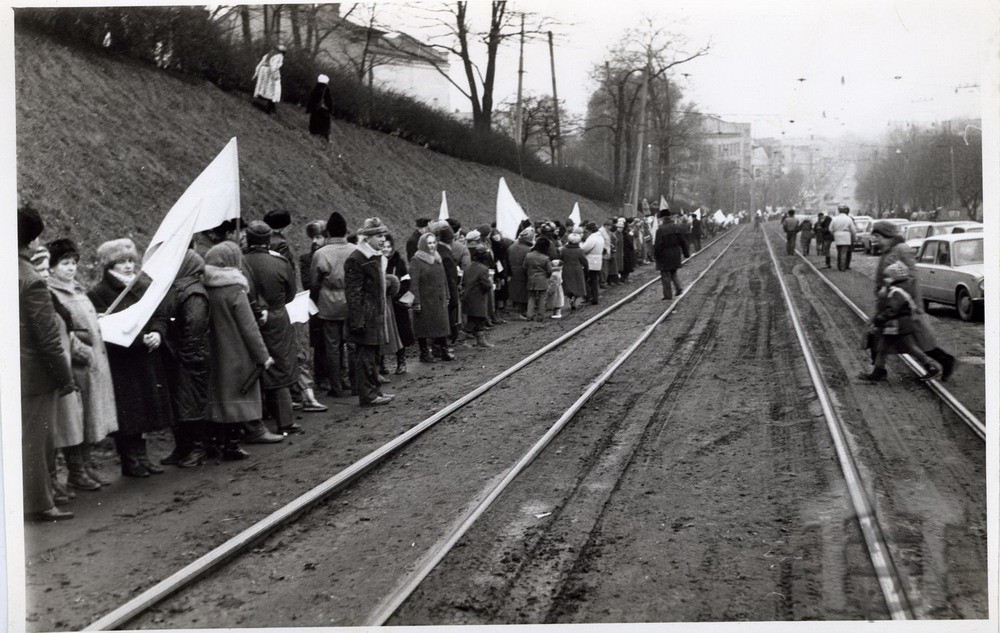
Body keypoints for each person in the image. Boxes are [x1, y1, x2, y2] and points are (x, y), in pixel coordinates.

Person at [88, 238, 174, 478]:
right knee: (128, 412)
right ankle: (129, 460)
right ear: (109, 266)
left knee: (145, 410)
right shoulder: (99, 293)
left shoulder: (142, 287)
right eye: (121, 262)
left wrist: (158, 332)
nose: (127, 266)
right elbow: (105, 327)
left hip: (145, 357)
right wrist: (138, 339)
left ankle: (143, 457)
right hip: (122, 361)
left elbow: (158, 313)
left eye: (129, 261)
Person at [19, 206, 76, 521]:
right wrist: (64, 377)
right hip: (33, 374)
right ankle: (40, 503)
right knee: (37, 439)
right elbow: (49, 338)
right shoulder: (31, 280)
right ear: (31, 240)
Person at [46, 238, 117, 488]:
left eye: (74, 262)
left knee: (88, 419)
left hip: (92, 364)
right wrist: (82, 352)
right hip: (77, 364)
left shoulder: (76, 289)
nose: (71, 268)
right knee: (74, 421)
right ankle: (77, 472)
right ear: (52, 267)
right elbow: (62, 329)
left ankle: (86, 467)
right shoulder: (52, 292)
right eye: (65, 263)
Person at [203, 242, 277, 459]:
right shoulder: (235, 289)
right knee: (238, 399)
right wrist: (263, 356)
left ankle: (216, 443)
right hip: (238, 353)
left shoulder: (206, 287)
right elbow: (249, 328)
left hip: (215, 353)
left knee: (219, 398)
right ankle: (232, 445)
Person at [870, 220, 957, 380]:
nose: (875, 240)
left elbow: (912, 277)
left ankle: (945, 361)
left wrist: (912, 303)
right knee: (886, 338)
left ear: (887, 235)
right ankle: (878, 370)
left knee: (921, 342)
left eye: (877, 236)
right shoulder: (887, 250)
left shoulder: (901, 249)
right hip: (890, 302)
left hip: (904, 304)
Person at [243, 221, 301, 435]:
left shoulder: (240, 262)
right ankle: (285, 420)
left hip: (247, 317)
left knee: (252, 365)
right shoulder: (279, 262)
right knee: (280, 365)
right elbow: (291, 293)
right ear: (268, 240)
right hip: (277, 316)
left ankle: (256, 418)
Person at [159, 249, 213, 468]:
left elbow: (195, 327)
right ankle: (182, 447)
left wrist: (185, 355)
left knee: (191, 404)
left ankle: (196, 449)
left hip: (190, 358)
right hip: (180, 355)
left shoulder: (193, 294)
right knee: (180, 404)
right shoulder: (181, 288)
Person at [345, 218, 395, 407]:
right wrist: (357, 321)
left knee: (374, 355)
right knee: (365, 356)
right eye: (378, 236)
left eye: (383, 236)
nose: (383, 240)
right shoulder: (357, 259)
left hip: (376, 314)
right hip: (365, 316)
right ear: (367, 238)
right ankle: (367, 394)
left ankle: (375, 390)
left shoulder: (375, 257)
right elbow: (353, 293)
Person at [860, 262, 939, 382]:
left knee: (909, 347)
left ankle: (931, 366)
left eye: (887, 277)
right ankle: (878, 371)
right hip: (895, 326)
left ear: (893, 277)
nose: (885, 279)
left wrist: (878, 320)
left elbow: (892, 309)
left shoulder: (896, 292)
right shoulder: (897, 290)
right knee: (883, 348)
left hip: (899, 326)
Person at [311, 211, 357, 397]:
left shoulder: (320, 253)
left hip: (329, 304)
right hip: (351, 303)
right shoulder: (354, 250)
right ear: (345, 231)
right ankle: (355, 384)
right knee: (353, 345)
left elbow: (314, 282)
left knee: (332, 346)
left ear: (328, 232)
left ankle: (336, 386)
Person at [410, 232, 452, 362]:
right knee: (424, 326)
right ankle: (424, 353)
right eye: (429, 243)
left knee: (441, 324)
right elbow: (414, 283)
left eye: (434, 242)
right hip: (425, 299)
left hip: (439, 298)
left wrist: (447, 294)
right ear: (423, 244)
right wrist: (416, 301)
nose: (432, 246)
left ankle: (442, 349)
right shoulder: (417, 260)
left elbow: (444, 279)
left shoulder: (437, 258)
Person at [382, 234, 414, 374]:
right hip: (383, 302)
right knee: (383, 333)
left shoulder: (398, 262)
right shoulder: (377, 262)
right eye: (384, 246)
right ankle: (381, 363)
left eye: (389, 247)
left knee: (399, 332)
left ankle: (401, 361)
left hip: (396, 303)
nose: (386, 249)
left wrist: (398, 294)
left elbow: (406, 281)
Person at [462, 245, 495, 347]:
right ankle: (466, 339)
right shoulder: (483, 269)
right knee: (479, 319)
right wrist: (490, 284)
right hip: (479, 298)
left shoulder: (469, 267)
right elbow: (486, 285)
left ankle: (476, 340)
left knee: (472, 318)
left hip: (468, 297)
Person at [654, 208, 690, 300]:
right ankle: (679, 288)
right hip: (676, 253)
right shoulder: (677, 227)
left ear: (662, 218)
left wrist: (656, 256)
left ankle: (668, 295)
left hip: (665, 254)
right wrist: (686, 253)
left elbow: (658, 245)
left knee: (665, 275)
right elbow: (683, 241)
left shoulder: (660, 230)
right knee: (673, 272)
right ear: (670, 217)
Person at [524, 236, 553, 321]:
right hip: (542, 279)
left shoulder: (528, 255)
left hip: (531, 278)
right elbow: (550, 270)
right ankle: (541, 316)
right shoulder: (545, 258)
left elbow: (524, 267)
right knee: (542, 297)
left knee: (531, 297)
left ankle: (529, 315)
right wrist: (547, 276)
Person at [507, 226, 533, 319]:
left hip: (513, 271)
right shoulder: (528, 249)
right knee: (523, 293)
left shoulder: (512, 247)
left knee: (515, 292)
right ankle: (521, 312)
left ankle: (516, 311)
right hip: (523, 272)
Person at [252, 44, 285, 114]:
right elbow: (274, 66)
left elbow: (260, 64)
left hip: (263, 70)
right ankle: (269, 108)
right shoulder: (279, 56)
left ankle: (271, 106)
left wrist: (256, 72)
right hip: (269, 72)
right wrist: (276, 76)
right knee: (273, 89)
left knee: (263, 87)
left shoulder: (268, 55)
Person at [560, 231, 587, 310]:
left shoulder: (564, 250)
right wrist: (586, 268)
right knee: (577, 286)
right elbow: (584, 261)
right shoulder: (580, 251)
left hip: (566, 269)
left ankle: (569, 299)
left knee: (568, 285)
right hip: (577, 270)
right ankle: (574, 300)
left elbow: (561, 258)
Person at [581, 222, 605, 305]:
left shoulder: (592, 238)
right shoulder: (600, 237)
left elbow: (584, 248)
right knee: (594, 280)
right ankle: (595, 298)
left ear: (590, 230)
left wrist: (580, 244)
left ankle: (589, 297)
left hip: (590, 261)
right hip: (597, 261)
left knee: (587, 280)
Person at [305, 74, 333, 142]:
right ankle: (326, 137)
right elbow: (329, 100)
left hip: (315, 109)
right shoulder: (326, 90)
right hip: (324, 110)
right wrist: (331, 109)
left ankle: (313, 132)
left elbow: (311, 99)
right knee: (325, 123)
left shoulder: (315, 89)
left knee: (314, 121)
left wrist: (308, 108)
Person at [829, 205, 857, 271]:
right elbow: (853, 230)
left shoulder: (834, 218)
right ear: (845, 211)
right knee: (844, 252)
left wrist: (834, 233)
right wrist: (854, 238)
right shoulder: (848, 219)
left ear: (839, 211)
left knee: (839, 251)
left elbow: (830, 228)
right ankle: (842, 267)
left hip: (837, 235)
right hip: (846, 235)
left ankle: (839, 265)